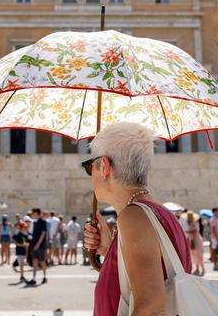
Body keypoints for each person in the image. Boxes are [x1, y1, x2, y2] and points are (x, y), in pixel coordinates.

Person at [83, 122, 192, 315]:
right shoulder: (159, 213)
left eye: (89, 166)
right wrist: (110, 251)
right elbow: (137, 284)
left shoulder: (134, 216)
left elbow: (151, 308)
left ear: (105, 167)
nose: (90, 173)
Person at [27, 207, 48, 285]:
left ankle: (44, 277)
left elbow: (43, 234)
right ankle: (34, 278)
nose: (32, 214)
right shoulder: (34, 222)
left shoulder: (43, 222)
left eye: (33, 213)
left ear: (36, 213)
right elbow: (31, 233)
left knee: (42, 261)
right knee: (34, 262)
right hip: (33, 245)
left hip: (41, 246)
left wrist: (38, 244)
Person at [186, 211, 205, 276]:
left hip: (196, 240)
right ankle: (197, 269)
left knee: (199, 254)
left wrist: (187, 232)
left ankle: (203, 269)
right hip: (192, 239)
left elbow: (195, 231)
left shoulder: (194, 223)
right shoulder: (189, 223)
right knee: (194, 255)